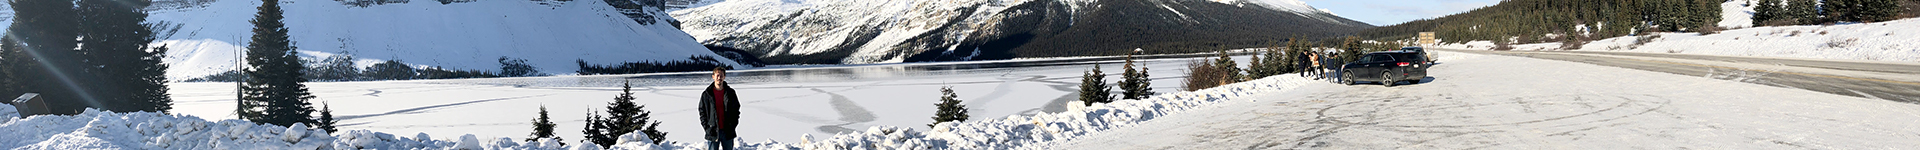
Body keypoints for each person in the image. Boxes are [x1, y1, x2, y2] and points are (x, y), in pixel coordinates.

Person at [699, 67, 741, 150]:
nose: (719, 78)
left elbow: (736, 110)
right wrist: (707, 127)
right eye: (717, 75)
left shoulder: (730, 93)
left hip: (727, 131)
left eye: (721, 76)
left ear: (724, 77)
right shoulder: (707, 94)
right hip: (712, 131)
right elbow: (702, 111)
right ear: (713, 77)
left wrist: (733, 125)